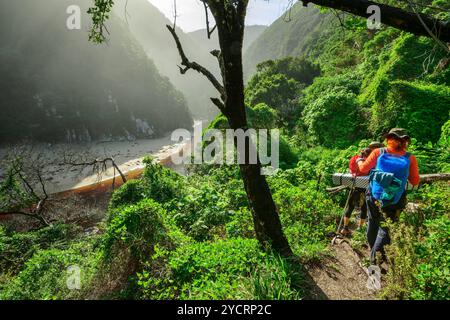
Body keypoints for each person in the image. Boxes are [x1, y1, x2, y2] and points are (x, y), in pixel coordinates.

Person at [357, 128, 420, 265]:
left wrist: (360, 160)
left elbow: (362, 169)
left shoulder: (378, 152)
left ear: (388, 139)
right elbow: (415, 181)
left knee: (373, 222)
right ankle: (376, 258)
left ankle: (372, 256)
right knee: (386, 228)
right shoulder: (410, 158)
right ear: (405, 141)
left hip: (374, 195)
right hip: (394, 199)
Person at [340, 148, 372, 236]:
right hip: (365, 186)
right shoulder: (368, 161)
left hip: (354, 186)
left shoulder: (354, 159)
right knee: (364, 208)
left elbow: (351, 170)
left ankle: (345, 228)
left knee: (350, 207)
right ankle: (360, 228)